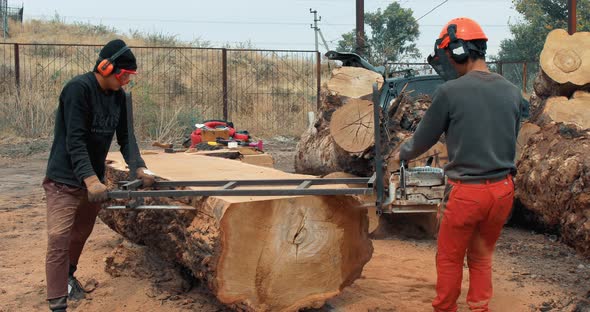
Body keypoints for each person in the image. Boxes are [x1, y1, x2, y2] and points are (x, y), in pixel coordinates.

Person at [398, 18, 525, 312]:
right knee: (481, 256)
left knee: (450, 257)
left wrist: (402, 154)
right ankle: (479, 307)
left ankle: (445, 308)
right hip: (503, 190)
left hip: (468, 193)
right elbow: (510, 134)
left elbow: (422, 140)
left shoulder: (450, 92)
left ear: (457, 51)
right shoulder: (512, 91)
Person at [43, 39, 156, 312]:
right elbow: (75, 140)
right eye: (124, 75)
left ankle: (68, 277)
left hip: (90, 180)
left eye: (130, 77)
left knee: (80, 232)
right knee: (59, 237)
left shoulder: (120, 98)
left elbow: (127, 138)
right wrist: (90, 179)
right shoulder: (77, 90)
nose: (126, 81)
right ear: (106, 67)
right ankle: (57, 303)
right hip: (64, 180)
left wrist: (138, 166)